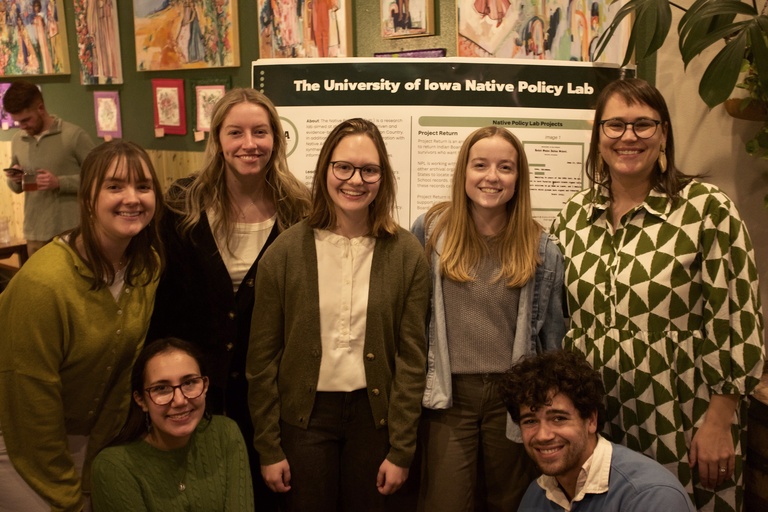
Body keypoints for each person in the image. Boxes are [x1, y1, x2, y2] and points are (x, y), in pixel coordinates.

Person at [550, 77, 765, 511]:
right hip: (597, 419)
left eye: (643, 124)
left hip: (682, 414)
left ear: (663, 133)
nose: (628, 137)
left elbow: (737, 317)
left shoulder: (704, 209)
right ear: (598, 136)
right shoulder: (573, 217)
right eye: (615, 126)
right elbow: (560, 320)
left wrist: (720, 422)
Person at [247, 118, 430, 511]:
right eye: (343, 167)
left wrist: (402, 449)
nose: (355, 180)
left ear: (383, 177)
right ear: (325, 170)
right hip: (304, 421)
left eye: (369, 170)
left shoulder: (406, 253)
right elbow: (261, 362)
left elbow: (412, 359)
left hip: (374, 419)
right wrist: (268, 447)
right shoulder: (283, 253)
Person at [146, 87, 311, 510]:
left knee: (267, 492)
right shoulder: (183, 204)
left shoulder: (300, 209)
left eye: (260, 132)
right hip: (197, 388)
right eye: (235, 132)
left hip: (269, 389)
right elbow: (167, 303)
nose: (249, 144)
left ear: (277, 138)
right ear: (217, 139)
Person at [0, 140, 164, 511]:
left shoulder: (146, 267)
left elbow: (121, 376)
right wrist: (68, 497)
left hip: (82, 436)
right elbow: (30, 400)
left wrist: (94, 472)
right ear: (88, 197)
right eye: (115, 186)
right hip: (15, 434)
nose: (132, 198)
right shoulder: (44, 283)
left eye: (143, 186)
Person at [410, 126, 565, 511]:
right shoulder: (430, 231)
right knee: (444, 502)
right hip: (449, 397)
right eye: (480, 165)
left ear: (518, 178)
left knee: (513, 502)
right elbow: (411, 320)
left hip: (514, 399)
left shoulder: (541, 246)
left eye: (505, 167)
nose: (492, 177)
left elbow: (553, 339)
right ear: (464, 172)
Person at [500, 350, 697, 511]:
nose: (543, 435)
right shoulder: (535, 496)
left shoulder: (651, 497)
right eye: (530, 421)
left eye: (558, 418)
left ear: (591, 420)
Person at [91, 337, 254, 511]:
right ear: (141, 400)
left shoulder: (225, 433)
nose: (179, 400)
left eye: (189, 383)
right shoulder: (113, 467)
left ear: (205, 386)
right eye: (161, 388)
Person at [3, 80, 96, 256]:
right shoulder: (18, 140)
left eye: (26, 120)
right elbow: (17, 188)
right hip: (34, 233)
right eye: (17, 122)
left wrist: (59, 182)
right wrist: (15, 179)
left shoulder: (74, 136)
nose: (22, 127)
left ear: (40, 108)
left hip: (71, 232)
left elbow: (99, 178)